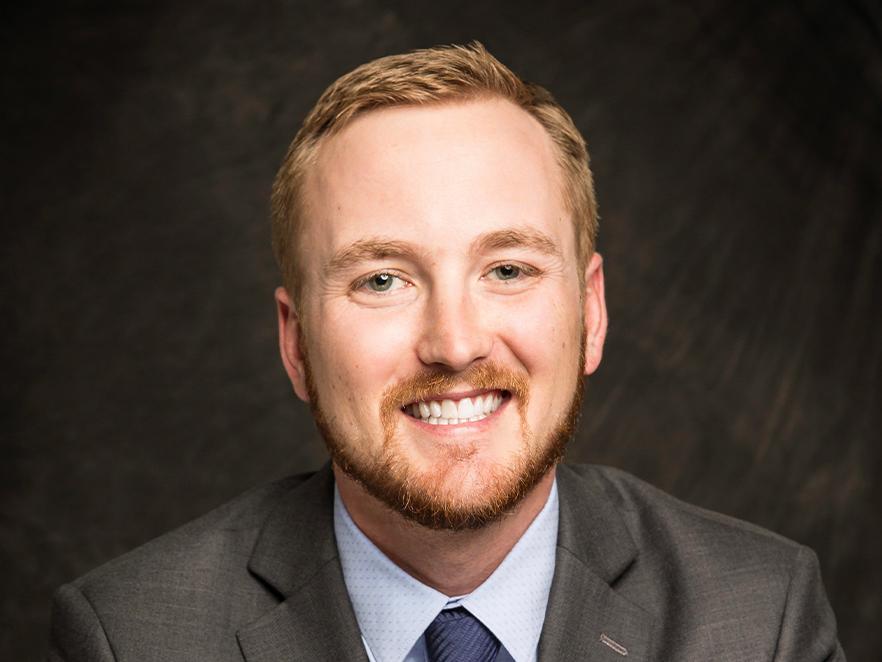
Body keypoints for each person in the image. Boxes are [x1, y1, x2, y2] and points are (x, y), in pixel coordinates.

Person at [48, 42, 844, 661]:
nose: (456, 344)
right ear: (295, 345)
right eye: (383, 280)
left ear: (592, 312)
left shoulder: (759, 618)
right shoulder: (130, 638)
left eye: (508, 270)